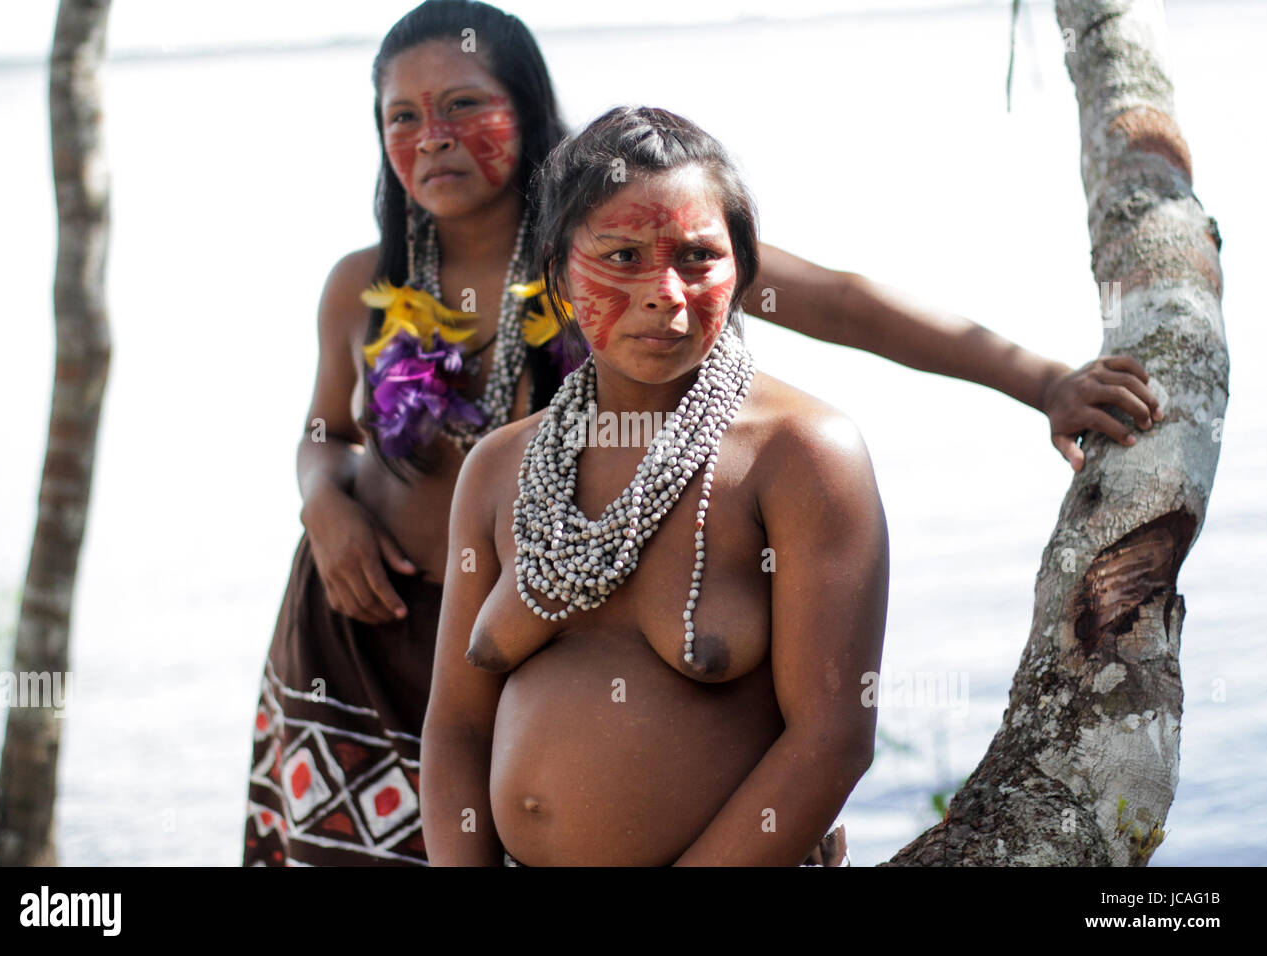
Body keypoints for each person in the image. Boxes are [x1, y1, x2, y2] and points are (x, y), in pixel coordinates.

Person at [244, 0, 1160, 867]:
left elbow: (843, 302)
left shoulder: (635, 221)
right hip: (366, 635)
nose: (434, 135)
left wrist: (1042, 380)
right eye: (402, 116)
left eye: (462, 105)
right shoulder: (373, 284)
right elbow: (327, 431)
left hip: (548, 619)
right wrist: (322, 500)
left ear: (524, 108)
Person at [421, 106, 889, 866]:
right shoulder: (499, 469)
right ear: (558, 275)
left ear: (744, 271)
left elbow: (834, 739)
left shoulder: (799, 455)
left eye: (698, 257)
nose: (665, 290)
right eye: (623, 256)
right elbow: (454, 728)